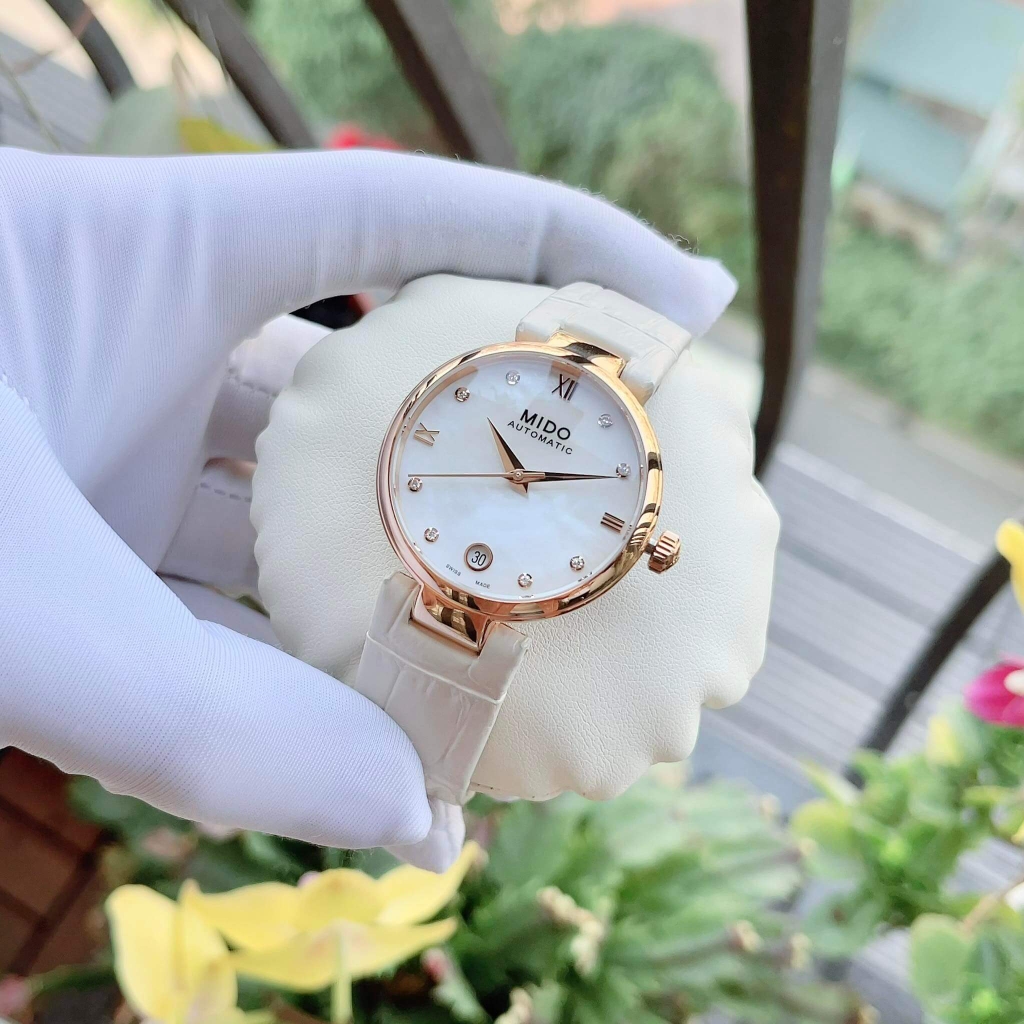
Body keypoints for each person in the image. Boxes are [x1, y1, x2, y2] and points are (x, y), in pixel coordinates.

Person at [0, 147, 734, 868]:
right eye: (513, 464)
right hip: (433, 551)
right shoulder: (477, 393)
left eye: (534, 478)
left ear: (647, 540)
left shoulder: (617, 499)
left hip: (490, 594)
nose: (518, 477)